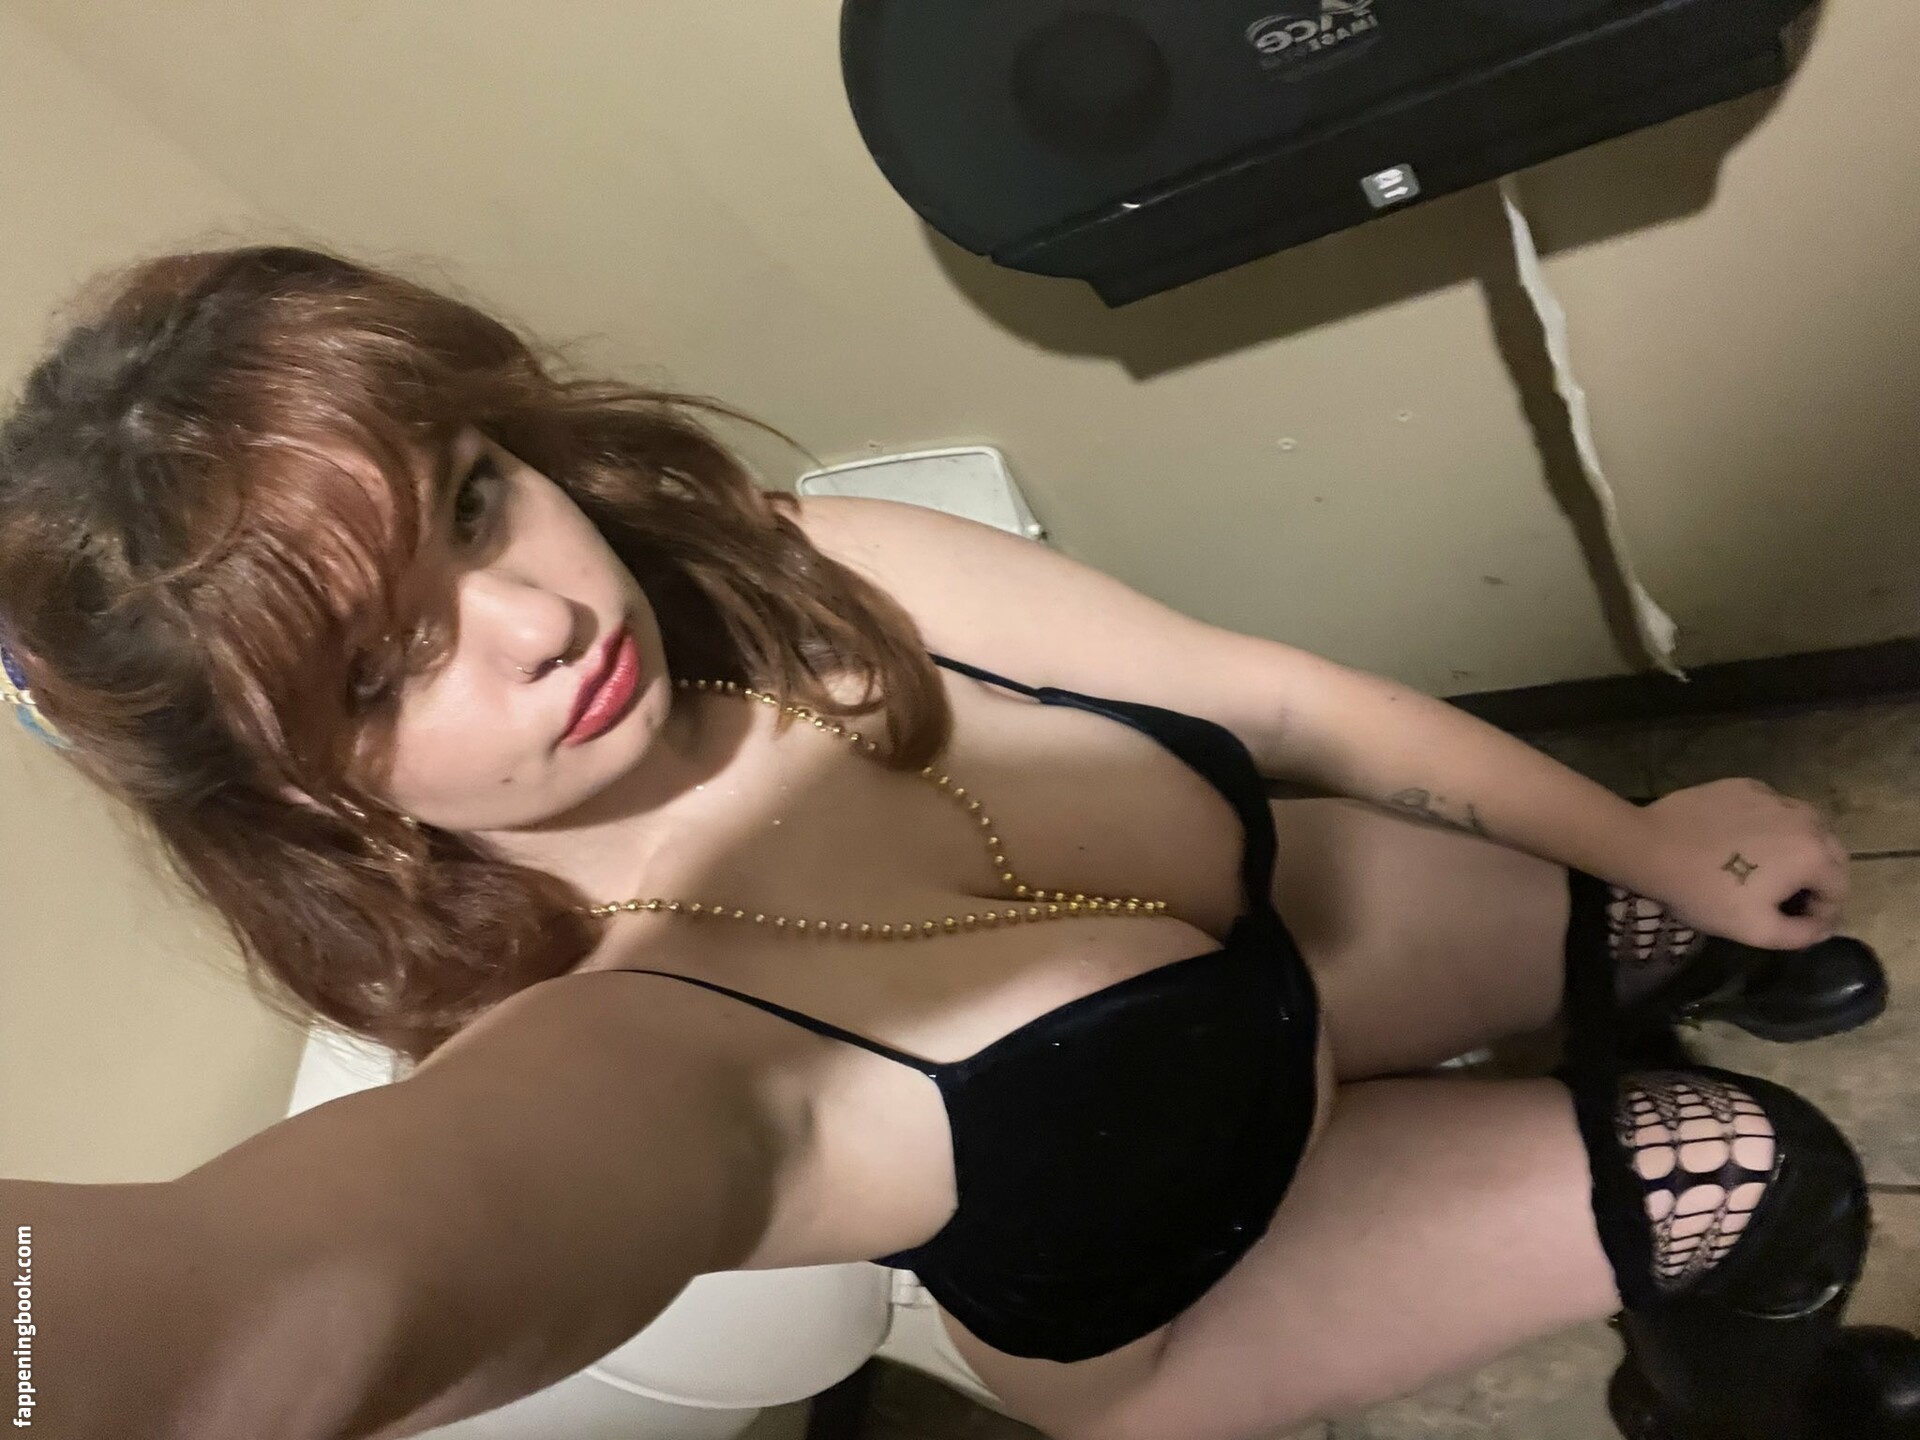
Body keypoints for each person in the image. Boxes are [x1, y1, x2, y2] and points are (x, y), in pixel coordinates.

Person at [1, 245, 1914, 1440]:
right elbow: (281, 1296)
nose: (544, 622)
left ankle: (1632, 998)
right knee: (1772, 1180)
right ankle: (1739, 1409)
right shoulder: (622, 1046)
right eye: (384, 666)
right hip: (1193, 1286)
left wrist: (1650, 837)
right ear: (299, 785)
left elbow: (1283, 704)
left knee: (1658, 930)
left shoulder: (790, 569)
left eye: (477, 503)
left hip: (1296, 959)